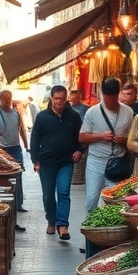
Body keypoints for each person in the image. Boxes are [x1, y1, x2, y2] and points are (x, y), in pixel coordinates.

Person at [30, 85, 84, 241]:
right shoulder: (42, 117)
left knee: (64, 192)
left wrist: (80, 150)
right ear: (51, 99)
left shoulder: (73, 116)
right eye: (56, 99)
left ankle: (62, 225)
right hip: (46, 163)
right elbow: (35, 140)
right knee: (48, 195)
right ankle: (51, 221)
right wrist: (35, 160)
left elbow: (81, 136)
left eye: (62, 99)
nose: (59, 102)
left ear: (66, 99)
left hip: (66, 162)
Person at [79, 76, 134, 211]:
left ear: (118, 93)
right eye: (108, 97)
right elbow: (82, 137)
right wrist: (100, 136)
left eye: (114, 97)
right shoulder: (92, 112)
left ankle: (110, 231)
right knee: (92, 199)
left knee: (115, 200)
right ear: (103, 94)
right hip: (96, 161)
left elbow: (132, 138)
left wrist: (124, 140)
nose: (111, 101)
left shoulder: (128, 111)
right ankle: (90, 229)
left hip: (118, 162)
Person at [0, 89, 29, 230]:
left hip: (16, 148)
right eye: (3, 101)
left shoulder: (15, 114)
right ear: (0, 101)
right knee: (6, 179)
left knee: (18, 175)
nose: (5, 103)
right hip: (2, 149)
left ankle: (18, 203)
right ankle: (8, 207)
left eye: (8, 101)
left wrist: (26, 145)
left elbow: (21, 129)